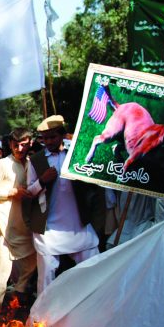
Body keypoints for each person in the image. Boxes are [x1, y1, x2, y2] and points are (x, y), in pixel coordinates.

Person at [23, 115, 103, 294]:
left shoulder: (77, 153)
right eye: (45, 138)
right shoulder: (36, 160)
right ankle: (44, 311)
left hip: (78, 224)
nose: (48, 142)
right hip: (48, 228)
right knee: (46, 277)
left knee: (93, 268)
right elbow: (29, 192)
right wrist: (42, 181)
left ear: (63, 135)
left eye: (52, 137)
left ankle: (93, 306)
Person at [0, 129, 37, 327]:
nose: (19, 148)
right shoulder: (1, 165)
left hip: (25, 226)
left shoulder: (32, 164)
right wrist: (11, 192)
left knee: (32, 263)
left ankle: (16, 301)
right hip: (3, 225)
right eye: (16, 144)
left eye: (24, 144)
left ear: (30, 144)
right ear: (10, 144)